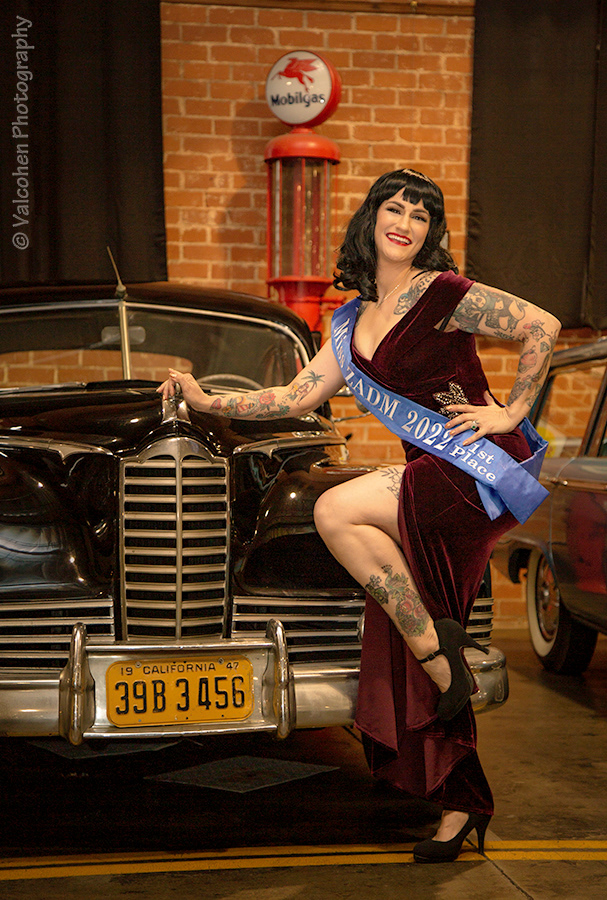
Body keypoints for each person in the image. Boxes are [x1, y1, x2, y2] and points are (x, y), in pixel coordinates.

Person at [158, 168, 561, 862]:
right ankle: (460, 796)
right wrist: (204, 399)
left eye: (420, 215)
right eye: (394, 208)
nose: (405, 222)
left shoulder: (443, 293)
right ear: (371, 218)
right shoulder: (348, 323)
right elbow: (291, 397)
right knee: (406, 605)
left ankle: (438, 657)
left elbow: (542, 325)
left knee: (337, 507)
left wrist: (512, 411)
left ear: (430, 232)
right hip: (432, 482)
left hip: (472, 472)